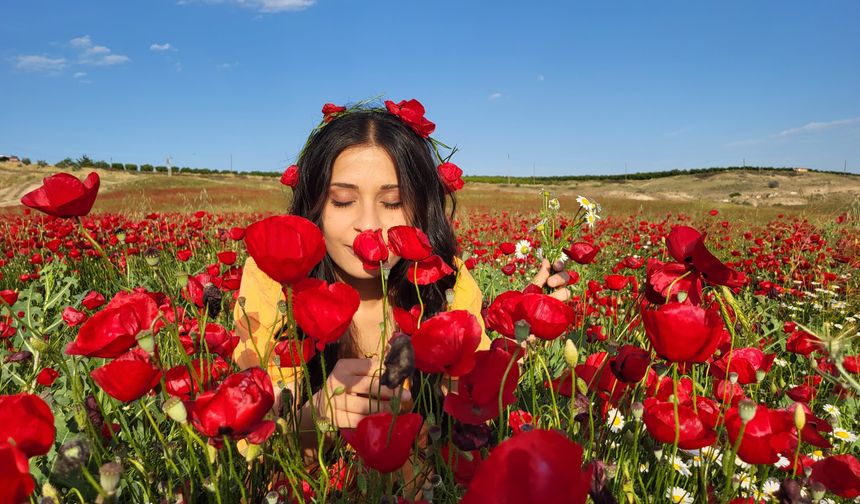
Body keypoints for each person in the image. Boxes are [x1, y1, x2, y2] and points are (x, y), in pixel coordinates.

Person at [231, 99, 571, 465]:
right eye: (343, 200)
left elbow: (472, 417)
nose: (369, 223)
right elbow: (254, 443)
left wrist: (514, 349)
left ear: (421, 208)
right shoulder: (273, 282)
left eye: (392, 203)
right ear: (313, 205)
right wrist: (319, 414)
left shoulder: (445, 281)